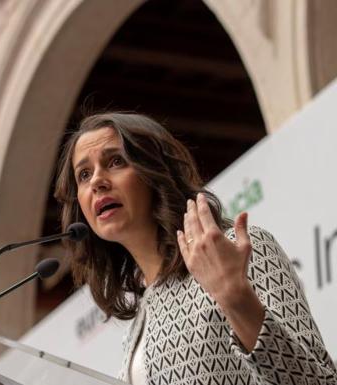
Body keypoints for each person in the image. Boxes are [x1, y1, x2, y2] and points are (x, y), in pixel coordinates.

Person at [54, 112, 337, 385]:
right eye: (84, 175)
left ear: (154, 171)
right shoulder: (141, 320)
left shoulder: (240, 251)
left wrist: (235, 297)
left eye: (116, 161)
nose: (97, 182)